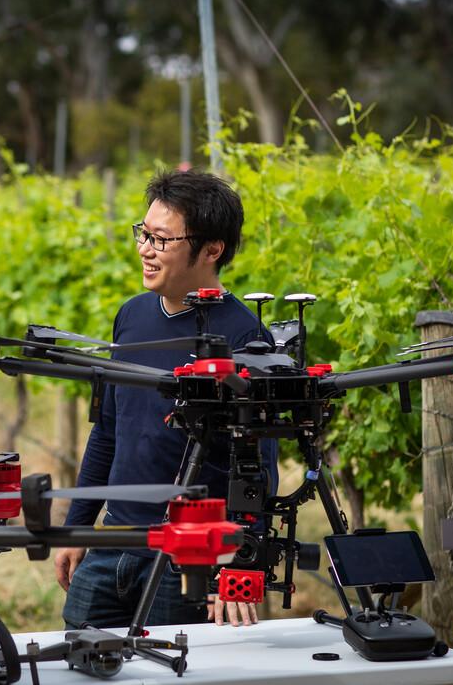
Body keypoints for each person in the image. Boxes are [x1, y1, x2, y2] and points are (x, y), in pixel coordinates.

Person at [56, 169, 278, 630]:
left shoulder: (244, 337)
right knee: (80, 665)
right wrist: (76, 527)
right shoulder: (132, 315)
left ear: (212, 250)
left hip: (189, 553)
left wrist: (237, 564)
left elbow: (258, 465)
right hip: (114, 538)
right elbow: (109, 431)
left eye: (161, 239)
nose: (144, 249)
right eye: (143, 234)